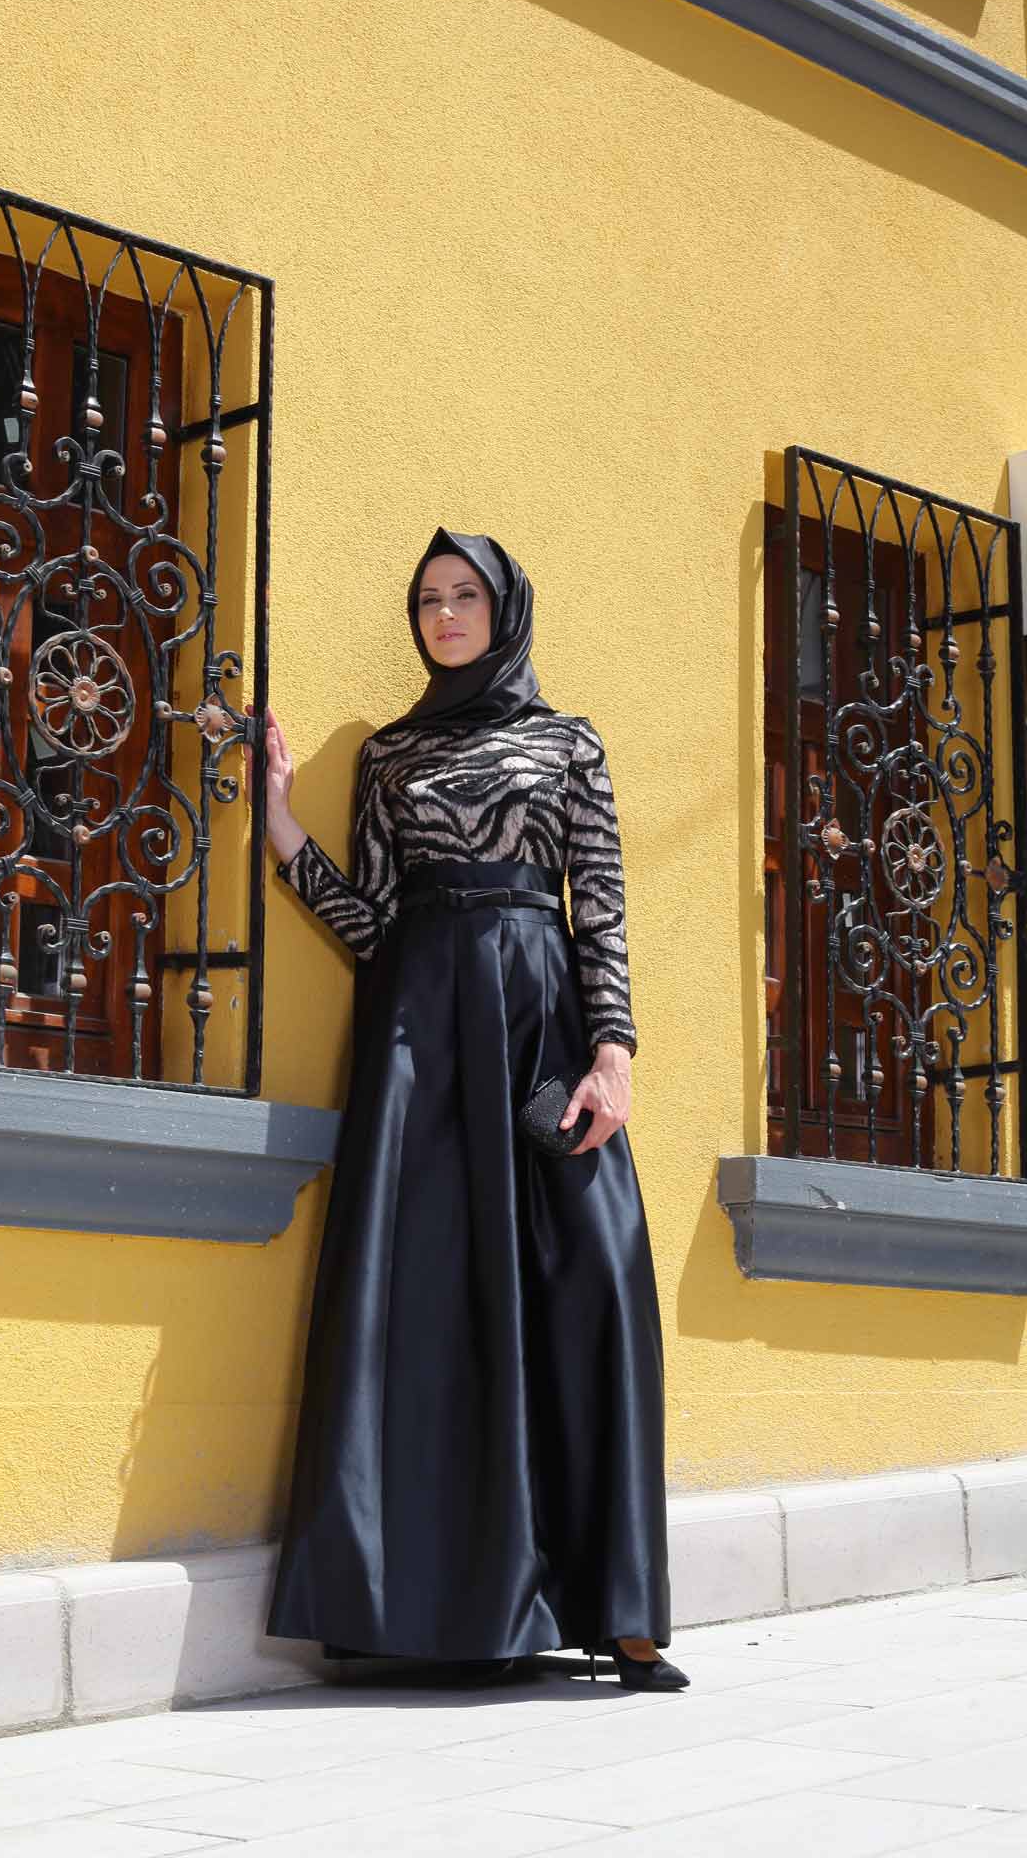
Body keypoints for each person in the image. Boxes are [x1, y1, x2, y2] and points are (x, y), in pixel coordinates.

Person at [246, 528, 687, 1692]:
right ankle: (423, 1611)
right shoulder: (389, 754)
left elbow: (599, 900)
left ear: (504, 610)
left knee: (595, 1276)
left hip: (540, 1027)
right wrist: (281, 821)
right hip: (419, 1036)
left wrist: (613, 1052)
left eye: (464, 596)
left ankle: (618, 1607)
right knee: (426, 1298)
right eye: (427, 599)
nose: (443, 615)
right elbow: (370, 918)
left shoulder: (568, 741)